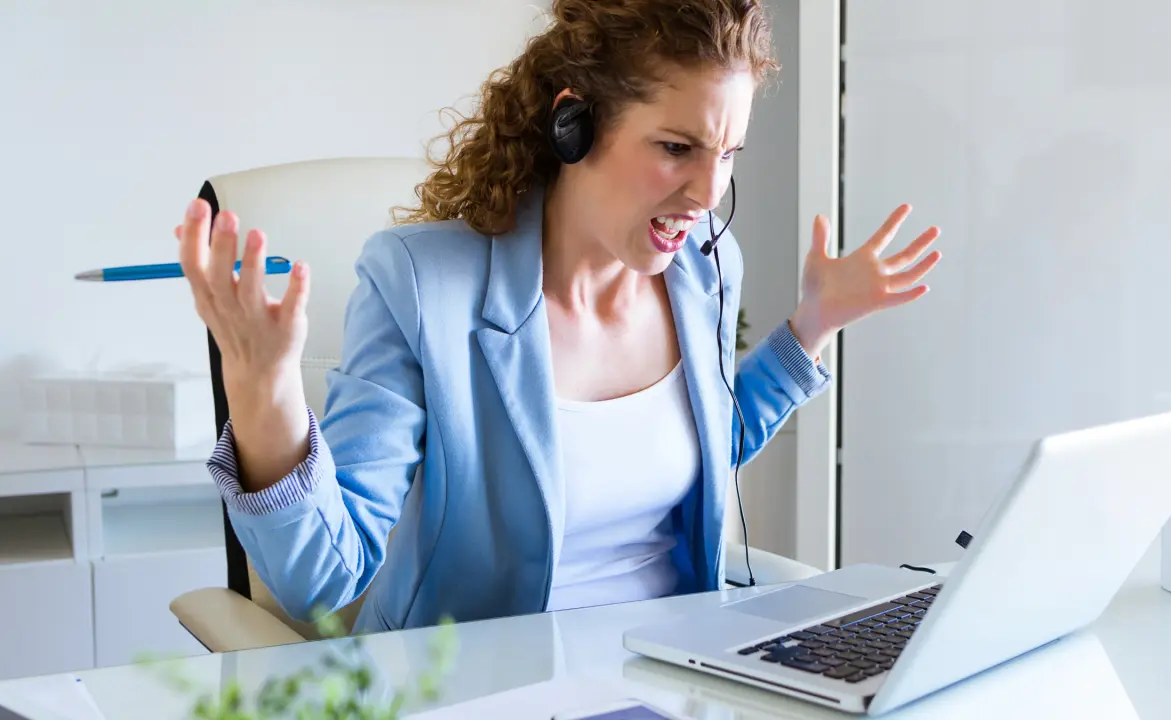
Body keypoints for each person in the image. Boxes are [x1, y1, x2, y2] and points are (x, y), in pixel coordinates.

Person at [176, 0, 940, 634]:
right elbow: (322, 579)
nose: (710, 193)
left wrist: (811, 329)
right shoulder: (420, 286)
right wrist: (264, 394)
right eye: (677, 147)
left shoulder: (705, 269)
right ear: (574, 125)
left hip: (674, 674)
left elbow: (703, 448)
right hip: (489, 692)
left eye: (729, 152)